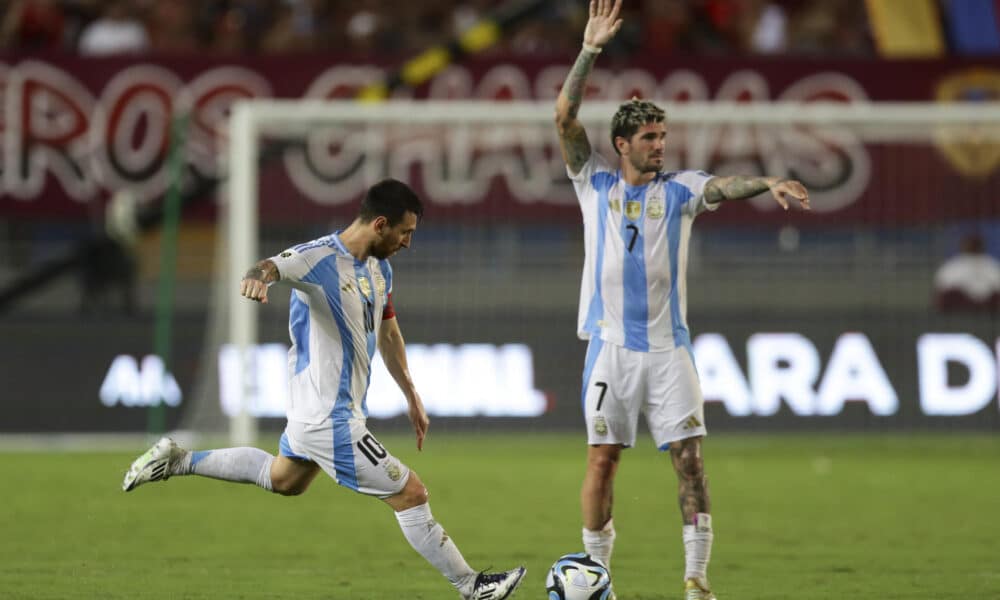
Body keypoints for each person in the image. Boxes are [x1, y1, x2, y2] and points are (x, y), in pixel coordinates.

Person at [121, 178, 525, 600]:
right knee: (410, 493)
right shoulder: (317, 258)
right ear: (381, 224)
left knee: (284, 479)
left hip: (322, 412)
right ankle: (472, 585)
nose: (408, 243)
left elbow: (388, 334)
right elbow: (269, 266)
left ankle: (179, 460)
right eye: (405, 233)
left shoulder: (380, 268)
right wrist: (257, 278)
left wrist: (412, 394)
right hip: (326, 418)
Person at [553, 2, 811, 599]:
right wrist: (589, 51)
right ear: (621, 143)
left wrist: (768, 182)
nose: (660, 145)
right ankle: (599, 580)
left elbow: (724, 185)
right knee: (601, 462)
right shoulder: (593, 181)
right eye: (649, 137)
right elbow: (565, 114)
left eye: (664, 136)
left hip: (672, 352)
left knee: (691, 463)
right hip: (610, 349)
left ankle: (696, 581)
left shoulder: (681, 191)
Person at [933, 232, 1000, 312]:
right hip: (962, 302)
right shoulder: (953, 264)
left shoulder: (991, 263)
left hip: (987, 303)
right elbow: (942, 288)